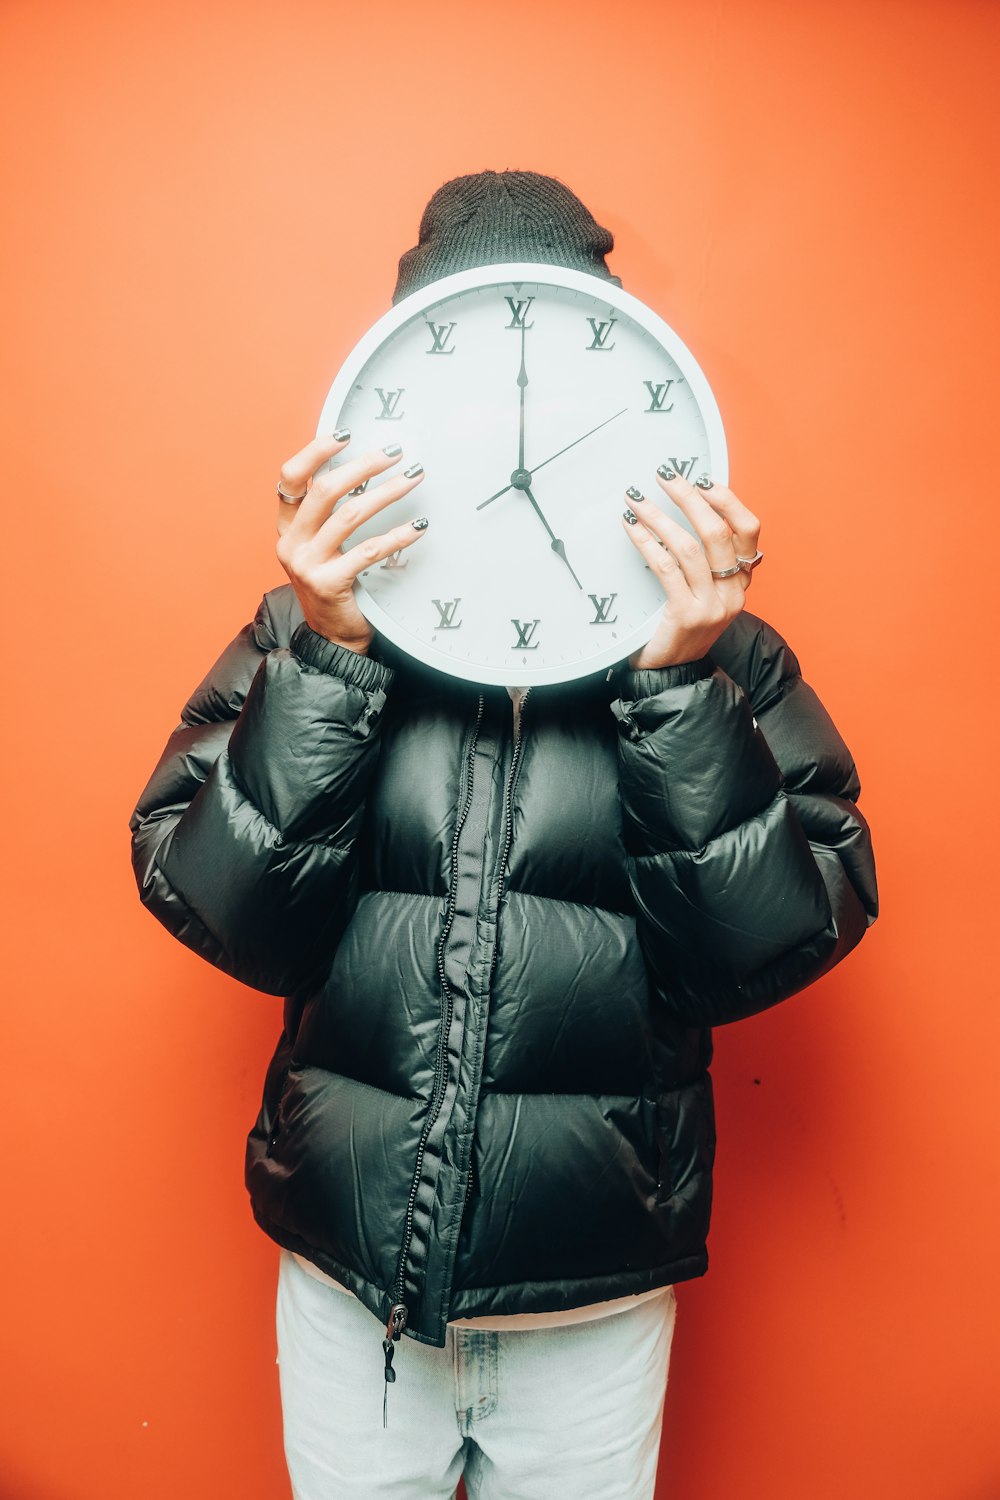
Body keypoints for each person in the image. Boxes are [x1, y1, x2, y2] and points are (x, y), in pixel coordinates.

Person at [129, 170, 878, 1500]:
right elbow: (227, 913)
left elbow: (765, 949)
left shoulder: (717, 657)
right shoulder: (310, 634)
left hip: (591, 1302)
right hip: (349, 1289)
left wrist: (673, 688)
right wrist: (334, 659)